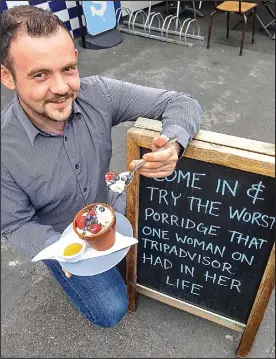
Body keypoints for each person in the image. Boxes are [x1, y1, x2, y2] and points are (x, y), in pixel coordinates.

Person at [1, 5, 202, 328]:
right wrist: (58, 250)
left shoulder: (100, 94)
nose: (62, 88)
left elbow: (180, 102)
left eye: (68, 68)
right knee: (110, 310)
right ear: (7, 76)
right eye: (40, 75)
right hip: (62, 237)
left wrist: (173, 144)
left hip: (113, 210)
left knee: (169, 256)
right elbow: (14, 223)